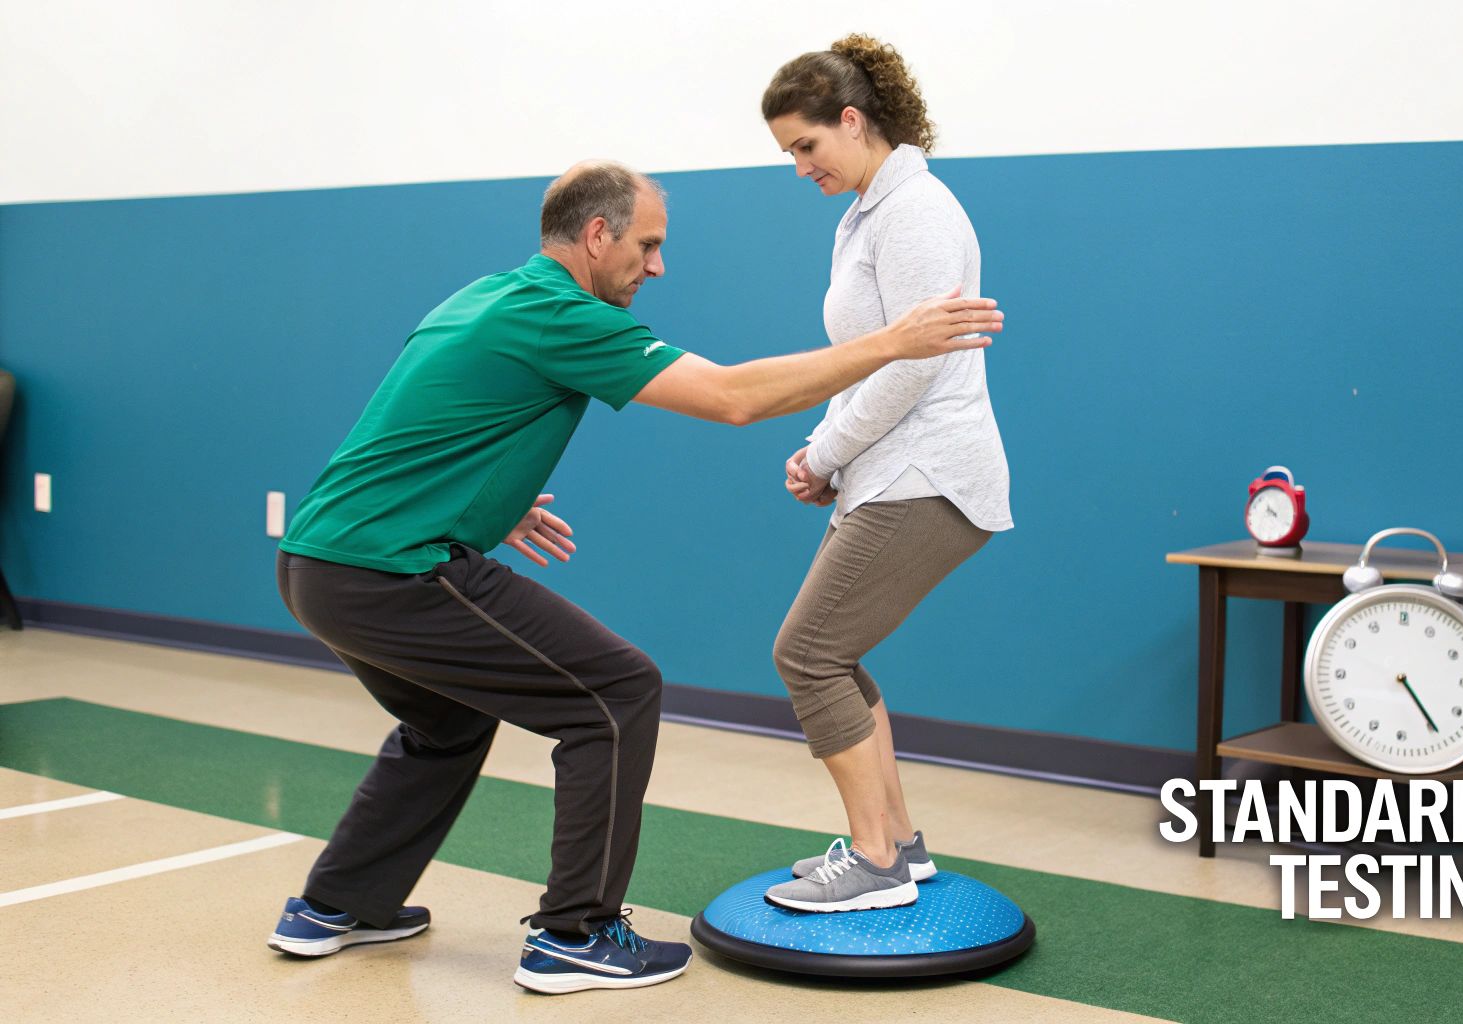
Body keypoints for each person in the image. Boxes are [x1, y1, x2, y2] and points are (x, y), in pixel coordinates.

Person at [265, 160, 1003, 991]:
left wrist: (490, 505)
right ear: (596, 235)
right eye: (647, 246)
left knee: (448, 724)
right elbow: (731, 397)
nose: (657, 267)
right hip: (395, 570)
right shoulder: (564, 315)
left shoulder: (484, 296)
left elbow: (426, 416)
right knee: (617, 692)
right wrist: (892, 343)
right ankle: (574, 934)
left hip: (319, 563)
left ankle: (337, 905)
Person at [757, 36, 1013, 914]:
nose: (797, 167)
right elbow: (868, 361)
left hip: (929, 472)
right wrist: (826, 450)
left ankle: (873, 861)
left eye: (805, 145)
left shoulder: (918, 214)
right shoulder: (870, 211)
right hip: (890, 468)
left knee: (808, 653)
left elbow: (912, 367)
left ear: (853, 121)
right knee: (836, 653)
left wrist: (826, 451)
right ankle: (899, 845)